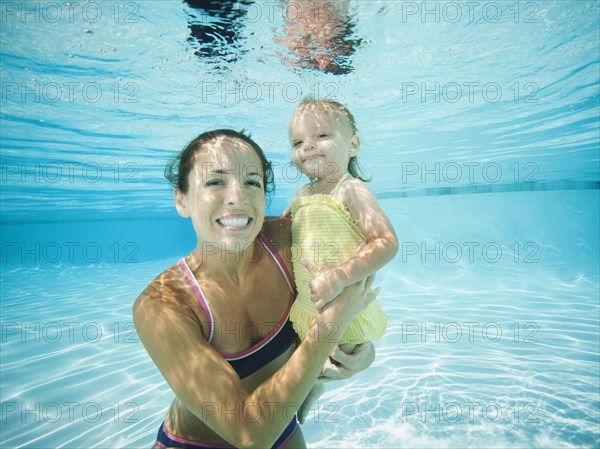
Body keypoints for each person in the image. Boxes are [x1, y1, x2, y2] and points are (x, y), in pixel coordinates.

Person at [133, 129, 379, 449]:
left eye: (252, 182)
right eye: (215, 182)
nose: (238, 196)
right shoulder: (162, 304)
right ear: (181, 200)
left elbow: (356, 296)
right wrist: (329, 328)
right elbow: (249, 435)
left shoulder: (289, 239)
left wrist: (361, 354)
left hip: (284, 431)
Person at [283, 98, 399, 358]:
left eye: (322, 134)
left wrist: (339, 277)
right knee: (298, 383)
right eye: (297, 142)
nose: (308, 146)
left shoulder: (350, 189)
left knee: (326, 371)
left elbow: (386, 242)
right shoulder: (302, 193)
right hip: (306, 310)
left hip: (343, 312)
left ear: (353, 145)